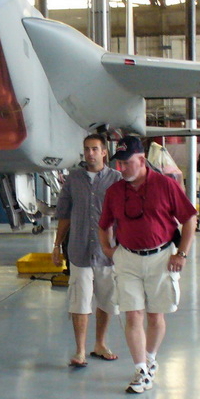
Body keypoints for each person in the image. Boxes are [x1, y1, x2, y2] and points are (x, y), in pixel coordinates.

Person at [98, 136, 197, 394]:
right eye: (118, 163)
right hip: (127, 259)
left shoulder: (166, 185)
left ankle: (151, 358)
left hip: (161, 258)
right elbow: (104, 224)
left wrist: (181, 254)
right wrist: (108, 249)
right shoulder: (115, 191)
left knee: (155, 315)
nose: (121, 169)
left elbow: (189, 219)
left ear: (142, 160)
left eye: (127, 163)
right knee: (132, 314)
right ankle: (140, 369)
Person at [51, 133, 122, 368]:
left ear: (104, 152)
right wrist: (56, 246)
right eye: (86, 149)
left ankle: (100, 344)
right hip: (79, 251)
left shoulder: (117, 179)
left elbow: (124, 216)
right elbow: (63, 215)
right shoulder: (73, 179)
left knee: (106, 300)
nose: (90, 153)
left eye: (94, 149)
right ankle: (80, 350)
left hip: (107, 253)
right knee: (80, 302)